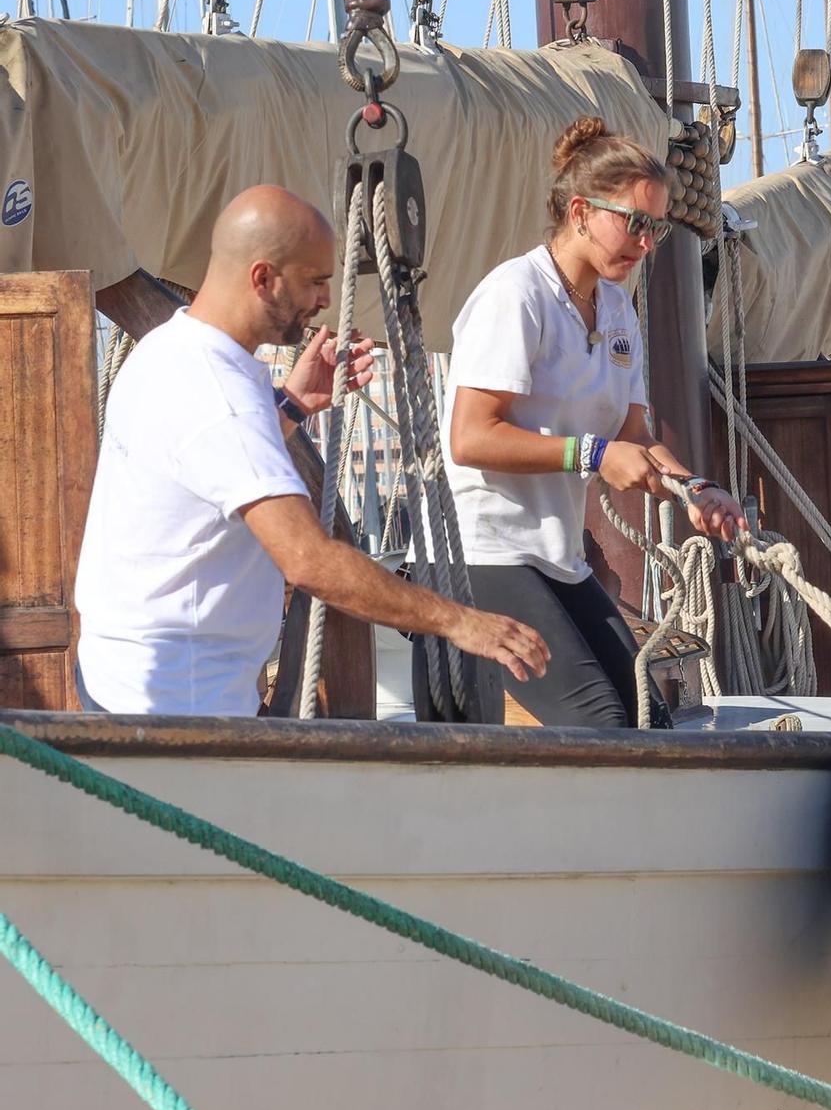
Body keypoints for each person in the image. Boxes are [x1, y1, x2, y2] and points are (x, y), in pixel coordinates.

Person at [75, 185, 550, 716]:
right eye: (315, 282)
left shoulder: (167, 350)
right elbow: (308, 561)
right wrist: (462, 622)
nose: (326, 300)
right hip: (180, 708)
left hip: (124, 683)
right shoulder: (218, 392)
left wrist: (294, 405)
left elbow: (208, 467)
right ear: (262, 278)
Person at [445, 117, 747, 728]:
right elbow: (471, 436)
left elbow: (634, 440)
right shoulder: (516, 296)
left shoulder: (615, 309)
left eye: (657, 227)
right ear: (580, 211)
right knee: (606, 727)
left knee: (649, 722)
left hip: (557, 557)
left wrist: (696, 489)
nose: (647, 242)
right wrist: (589, 454)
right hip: (484, 554)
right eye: (635, 222)